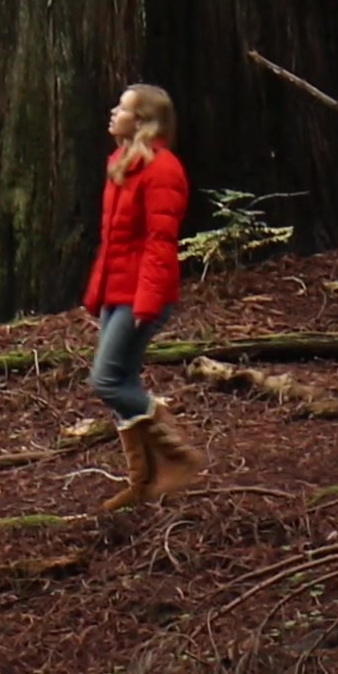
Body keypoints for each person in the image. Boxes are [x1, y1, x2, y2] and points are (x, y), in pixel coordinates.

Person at [83, 82, 202, 509]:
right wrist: (99, 293)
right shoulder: (121, 162)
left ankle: (179, 457)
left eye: (124, 108)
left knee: (106, 380)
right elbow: (114, 241)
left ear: (145, 121)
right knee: (122, 380)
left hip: (143, 293)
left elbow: (159, 242)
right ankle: (144, 481)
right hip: (119, 289)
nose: (113, 113)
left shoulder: (163, 170)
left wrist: (147, 301)